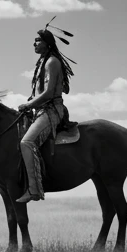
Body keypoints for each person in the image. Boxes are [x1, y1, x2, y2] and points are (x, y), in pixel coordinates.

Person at [15, 22, 75, 203]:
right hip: (40, 110)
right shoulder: (43, 61)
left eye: (38, 40)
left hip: (51, 112)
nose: (34, 43)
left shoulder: (52, 62)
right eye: (34, 40)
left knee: (26, 142)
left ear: (47, 44)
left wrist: (28, 105)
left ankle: (34, 190)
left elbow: (48, 93)